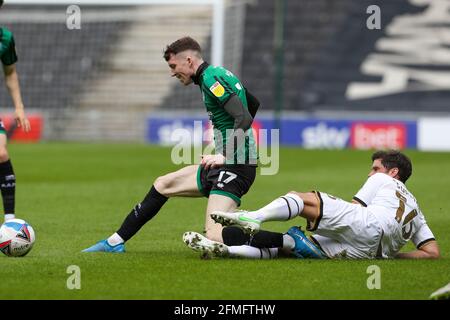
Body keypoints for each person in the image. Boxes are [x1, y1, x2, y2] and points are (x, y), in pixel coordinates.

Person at [83, 36, 260, 252]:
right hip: (227, 164)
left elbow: (243, 117)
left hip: (236, 167)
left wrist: (225, 155)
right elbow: (253, 103)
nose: (172, 72)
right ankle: (114, 242)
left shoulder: (211, 79)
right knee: (163, 184)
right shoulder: (218, 75)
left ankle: (286, 242)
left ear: (188, 60)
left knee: (214, 234)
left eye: (173, 66)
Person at [183, 150, 440, 260]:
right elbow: (432, 253)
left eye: (375, 168)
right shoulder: (416, 210)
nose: (371, 173)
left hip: (367, 227)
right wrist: (393, 255)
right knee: (289, 247)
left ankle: (255, 217)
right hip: (370, 254)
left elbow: (353, 209)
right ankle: (226, 250)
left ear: (393, 172)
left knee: (304, 198)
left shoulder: (383, 180)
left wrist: (318, 224)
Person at [0, 0, 32, 222]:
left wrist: (19, 107)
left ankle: (10, 221)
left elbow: (10, 72)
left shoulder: (5, 38)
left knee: (1, 153)